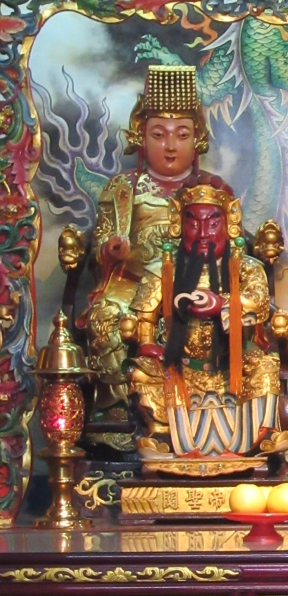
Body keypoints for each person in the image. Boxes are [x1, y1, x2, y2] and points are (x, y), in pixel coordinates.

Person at [72, 64, 209, 435]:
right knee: (106, 316)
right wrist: (111, 249)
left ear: (197, 138)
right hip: (130, 283)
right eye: (158, 134)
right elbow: (101, 241)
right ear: (141, 136)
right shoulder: (123, 188)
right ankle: (119, 412)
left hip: (194, 282)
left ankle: (199, 411)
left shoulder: (211, 189)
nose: (170, 145)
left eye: (182, 135)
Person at [125, 174, 286, 465]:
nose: (202, 233)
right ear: (178, 221)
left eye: (212, 223)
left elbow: (260, 304)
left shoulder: (248, 268)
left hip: (232, 368)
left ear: (229, 221)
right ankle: (162, 435)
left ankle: (259, 435)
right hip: (181, 368)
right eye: (192, 223)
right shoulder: (163, 268)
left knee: (266, 365)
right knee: (140, 372)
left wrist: (222, 304)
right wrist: (148, 344)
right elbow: (143, 318)